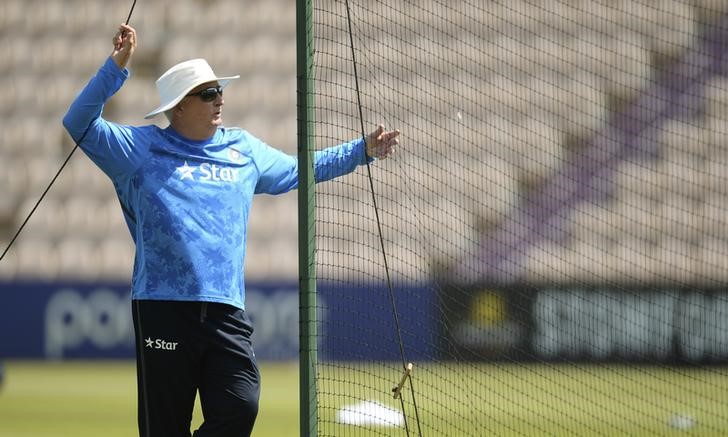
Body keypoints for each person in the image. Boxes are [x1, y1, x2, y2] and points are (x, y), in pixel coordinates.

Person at [62, 24, 399, 437]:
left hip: (225, 309)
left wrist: (360, 151)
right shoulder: (139, 148)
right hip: (163, 307)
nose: (219, 97)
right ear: (178, 107)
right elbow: (77, 121)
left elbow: (299, 170)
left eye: (219, 89)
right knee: (164, 428)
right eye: (207, 93)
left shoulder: (243, 149)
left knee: (241, 406)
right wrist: (117, 66)